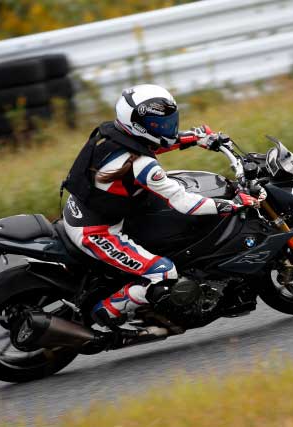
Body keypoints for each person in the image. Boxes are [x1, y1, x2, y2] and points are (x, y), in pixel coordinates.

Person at [61, 84, 259, 328]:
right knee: (164, 272)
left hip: (84, 209)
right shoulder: (143, 166)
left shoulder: (113, 133)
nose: (167, 128)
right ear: (139, 126)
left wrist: (196, 138)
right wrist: (231, 204)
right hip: (96, 232)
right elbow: (184, 203)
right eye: (159, 124)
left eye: (169, 121)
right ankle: (106, 312)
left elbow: (155, 143)